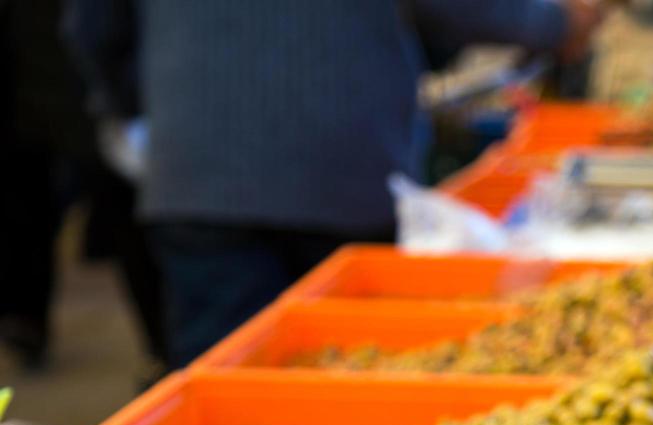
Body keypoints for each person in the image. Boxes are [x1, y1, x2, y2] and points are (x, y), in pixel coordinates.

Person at [66, 0, 601, 369]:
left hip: (204, 175)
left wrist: (151, 107)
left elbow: (92, 27)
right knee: (347, 379)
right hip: (342, 170)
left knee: (225, 380)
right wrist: (555, 23)